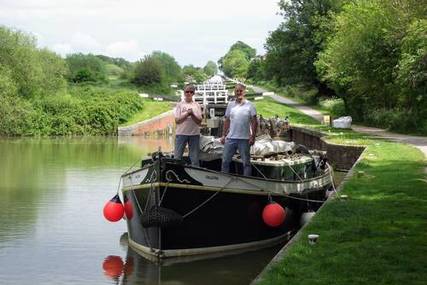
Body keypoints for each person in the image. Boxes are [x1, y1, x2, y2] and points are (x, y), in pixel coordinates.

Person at [220, 83, 257, 176]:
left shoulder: (250, 105)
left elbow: (254, 122)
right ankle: (224, 179)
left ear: (244, 92)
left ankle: (247, 181)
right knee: (225, 161)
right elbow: (227, 121)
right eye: (237, 91)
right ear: (234, 92)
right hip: (231, 138)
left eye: (241, 90)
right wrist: (224, 135)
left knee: (246, 163)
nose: (239, 92)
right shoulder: (230, 105)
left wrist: (253, 137)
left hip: (244, 139)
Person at [174, 84, 202, 166]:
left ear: (193, 93)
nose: (188, 93)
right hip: (181, 134)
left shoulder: (197, 105)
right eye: (187, 91)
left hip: (194, 135)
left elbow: (199, 121)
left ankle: (195, 174)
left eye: (191, 92)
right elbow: (177, 121)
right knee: (177, 157)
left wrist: (192, 114)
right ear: (184, 93)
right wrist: (187, 114)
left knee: (195, 158)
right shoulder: (179, 105)